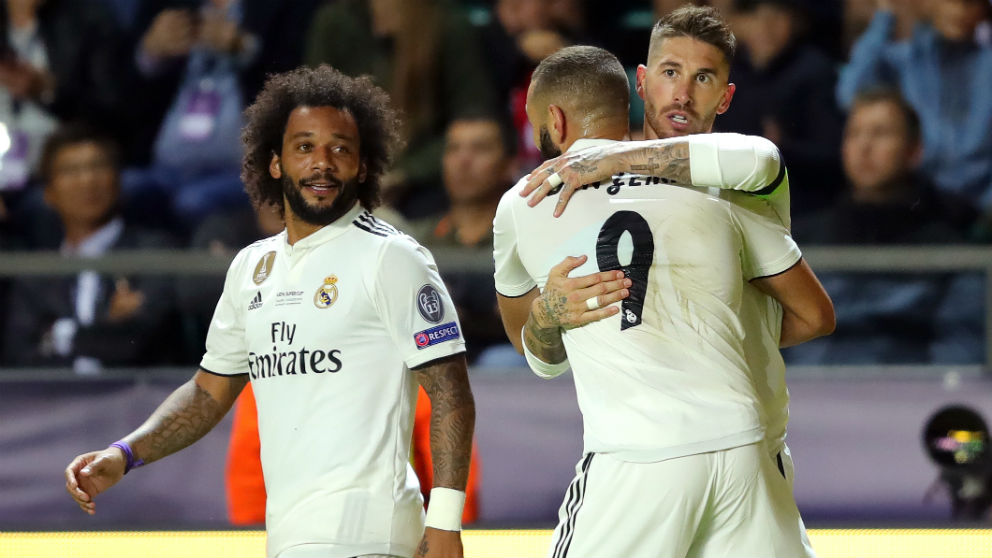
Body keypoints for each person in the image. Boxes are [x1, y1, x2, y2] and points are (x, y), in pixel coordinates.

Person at [64, 65, 475, 558]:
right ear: (275, 163)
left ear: (363, 167)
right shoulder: (250, 267)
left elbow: (450, 390)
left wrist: (446, 523)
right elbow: (207, 394)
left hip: (371, 534)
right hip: (287, 538)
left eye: (340, 148)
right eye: (305, 146)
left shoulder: (392, 257)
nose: (322, 163)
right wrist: (124, 454)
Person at [493, 42, 832, 557]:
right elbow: (815, 314)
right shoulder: (712, 189)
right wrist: (713, 324)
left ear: (555, 121)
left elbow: (533, 352)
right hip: (742, 445)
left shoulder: (524, 203)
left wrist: (547, 317)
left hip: (638, 456)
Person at [2, 124, 181, 371]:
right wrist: (107, 327)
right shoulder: (37, 273)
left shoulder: (154, 252)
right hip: (50, 406)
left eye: (98, 167)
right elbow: (20, 353)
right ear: (49, 193)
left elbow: (138, 342)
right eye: (71, 171)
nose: (87, 181)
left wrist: (58, 334)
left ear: (117, 180)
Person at [837, 0, 992, 218]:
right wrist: (886, 16)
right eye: (952, 2)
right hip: (917, 200)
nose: (960, 12)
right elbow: (850, 95)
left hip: (980, 208)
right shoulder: (907, 60)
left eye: (970, 4)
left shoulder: (987, 65)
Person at [407, 114, 518, 363]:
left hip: (510, 360)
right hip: (432, 354)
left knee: (502, 361)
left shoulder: (526, 236)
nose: (463, 160)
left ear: (510, 165)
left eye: (480, 149)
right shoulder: (414, 239)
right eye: (454, 149)